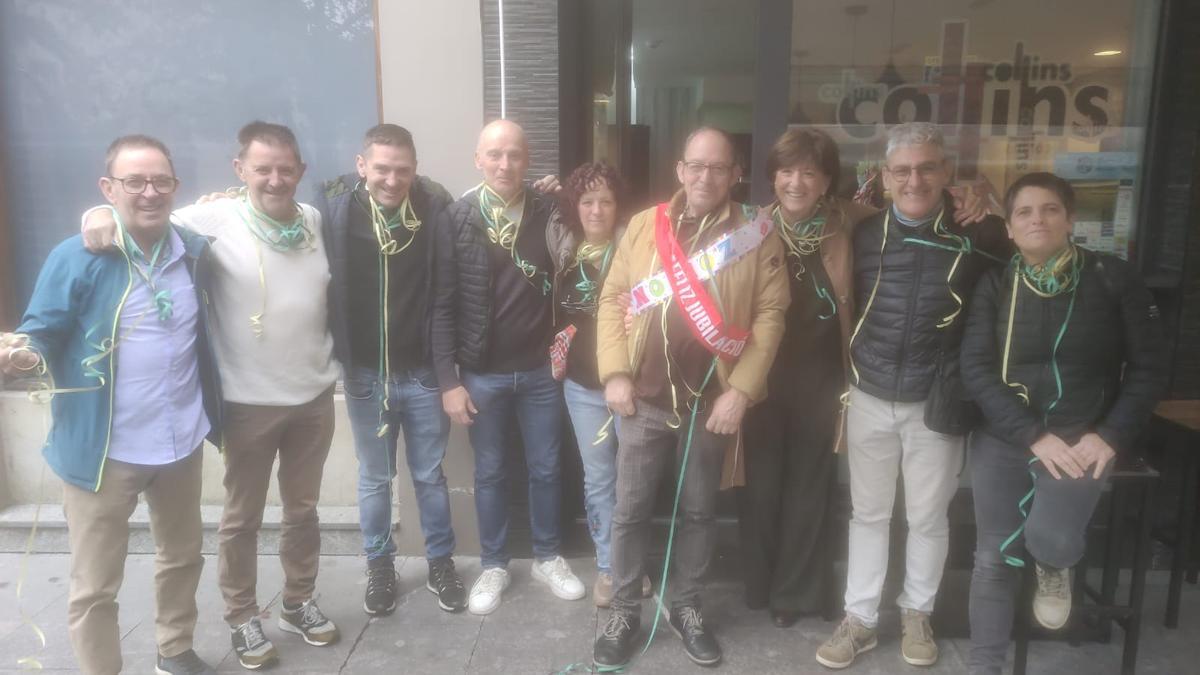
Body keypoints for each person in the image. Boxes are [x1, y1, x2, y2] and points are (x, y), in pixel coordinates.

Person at [82, 122, 341, 670]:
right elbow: (141, 213)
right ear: (239, 169)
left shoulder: (314, 221)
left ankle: (298, 600)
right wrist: (97, 214)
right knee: (241, 518)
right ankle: (243, 615)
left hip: (314, 395)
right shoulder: (210, 219)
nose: (275, 179)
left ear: (301, 171)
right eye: (262, 168)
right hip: (247, 402)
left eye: (285, 169)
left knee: (304, 510)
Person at [1, 135, 220, 675]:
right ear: (108, 188)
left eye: (161, 181)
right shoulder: (76, 256)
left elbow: (249, 190)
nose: (150, 192)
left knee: (183, 555)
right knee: (96, 584)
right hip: (103, 451)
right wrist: (24, 356)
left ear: (175, 186)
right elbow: (42, 332)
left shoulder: (193, 250)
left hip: (179, 439)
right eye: (133, 182)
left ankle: (175, 649)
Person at [592, 126, 790, 669]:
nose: (705, 177)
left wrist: (743, 391)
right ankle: (625, 610)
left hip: (711, 402)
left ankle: (686, 607)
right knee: (629, 512)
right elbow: (612, 298)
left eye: (718, 168)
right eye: (695, 166)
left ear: (735, 174)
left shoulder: (756, 232)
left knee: (700, 512)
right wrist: (614, 374)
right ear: (680, 170)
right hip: (646, 397)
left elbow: (772, 314)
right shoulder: (643, 226)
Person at [816, 122, 1010, 670]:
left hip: (936, 399)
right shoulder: (862, 231)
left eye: (927, 168)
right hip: (870, 391)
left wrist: (986, 196)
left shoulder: (980, 234)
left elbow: (1026, 246)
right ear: (883, 177)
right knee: (868, 514)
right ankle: (859, 619)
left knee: (928, 517)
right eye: (902, 170)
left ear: (947, 173)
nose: (914, 180)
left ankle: (917, 612)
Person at [959, 172, 1166, 675]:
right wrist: (1032, 435)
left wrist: (1110, 434)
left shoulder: (1112, 278)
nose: (1038, 219)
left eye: (1050, 209)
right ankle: (985, 665)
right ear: (1008, 228)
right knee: (992, 554)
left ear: (1070, 219)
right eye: (1025, 212)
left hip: (1082, 438)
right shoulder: (996, 284)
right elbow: (976, 370)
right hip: (1009, 435)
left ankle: (1055, 565)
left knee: (1050, 539)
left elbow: (1150, 367)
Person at [432, 119, 585, 615]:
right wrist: (449, 381)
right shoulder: (457, 217)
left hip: (542, 371)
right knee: (491, 472)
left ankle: (547, 557)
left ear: (528, 158)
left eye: (515, 155)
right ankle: (494, 564)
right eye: (494, 155)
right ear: (478, 159)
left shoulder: (548, 209)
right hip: (483, 373)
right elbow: (442, 304)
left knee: (546, 468)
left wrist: (567, 197)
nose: (505, 164)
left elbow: (591, 239)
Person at [313, 124, 466, 615]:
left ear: (414, 169)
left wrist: (446, 375)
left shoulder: (433, 207)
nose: (391, 179)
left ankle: (440, 562)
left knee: (429, 475)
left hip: (421, 372)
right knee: (375, 479)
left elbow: (444, 293)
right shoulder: (333, 208)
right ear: (362, 166)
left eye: (402, 170)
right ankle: (380, 565)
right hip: (364, 374)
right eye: (381, 168)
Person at [736, 128, 877, 626]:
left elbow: (912, 214)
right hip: (762, 376)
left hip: (821, 377)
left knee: (808, 487)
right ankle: (760, 584)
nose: (796, 182)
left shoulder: (851, 223)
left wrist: (966, 200)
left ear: (825, 181)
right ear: (772, 177)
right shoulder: (751, 229)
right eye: (786, 170)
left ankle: (794, 595)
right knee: (763, 484)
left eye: (809, 172)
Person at [550, 162, 653, 607]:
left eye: (606, 201)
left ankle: (632, 563)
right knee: (599, 480)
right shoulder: (562, 246)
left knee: (635, 480)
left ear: (619, 207)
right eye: (587, 200)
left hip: (630, 383)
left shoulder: (634, 250)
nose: (596, 209)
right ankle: (610, 569)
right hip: (580, 386)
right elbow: (535, 211)